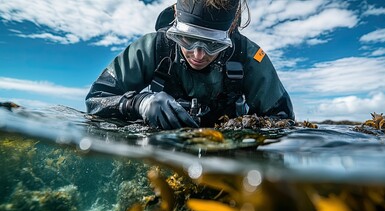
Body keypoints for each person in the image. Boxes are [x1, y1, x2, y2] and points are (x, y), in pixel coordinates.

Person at [86, 0, 294, 130]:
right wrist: (139, 103)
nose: (198, 54)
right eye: (186, 38)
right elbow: (96, 101)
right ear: (176, 15)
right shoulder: (153, 48)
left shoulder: (249, 58)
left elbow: (284, 122)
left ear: (231, 29)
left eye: (213, 44)